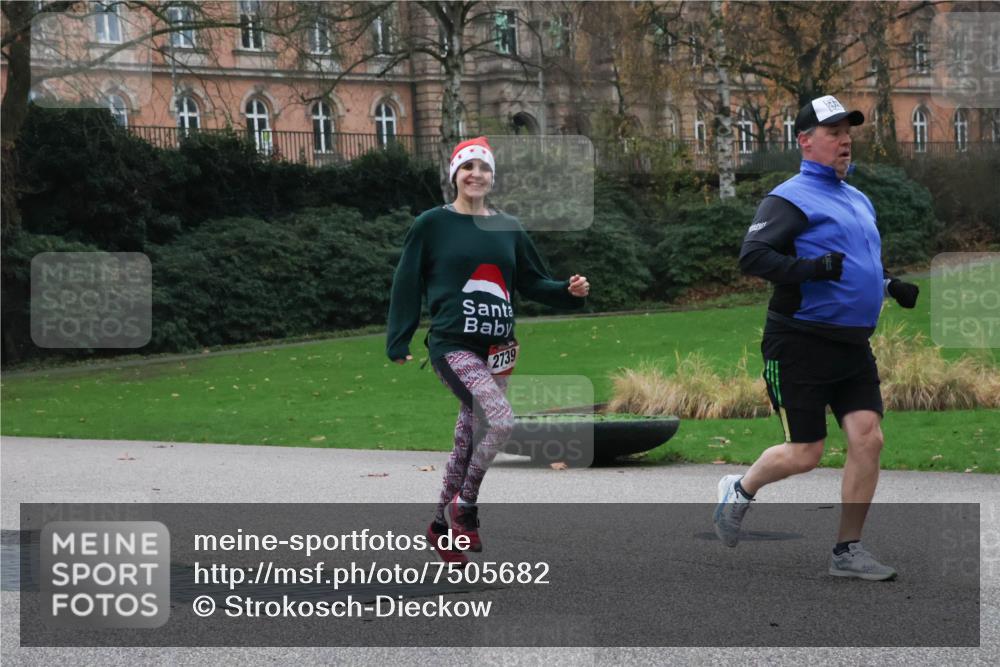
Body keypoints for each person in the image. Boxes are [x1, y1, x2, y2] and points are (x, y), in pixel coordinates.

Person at [713, 95, 920, 581]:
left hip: (852, 344)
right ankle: (739, 491)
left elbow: (855, 263)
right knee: (806, 453)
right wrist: (811, 269)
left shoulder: (857, 198)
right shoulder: (789, 198)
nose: (845, 139)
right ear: (805, 141)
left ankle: (847, 551)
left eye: (847, 131)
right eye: (833, 132)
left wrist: (890, 284)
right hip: (800, 341)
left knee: (868, 439)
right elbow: (753, 257)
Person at [386, 136, 590, 566]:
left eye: (483, 168)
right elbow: (407, 280)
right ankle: (467, 507)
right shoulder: (432, 224)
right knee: (499, 420)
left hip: (500, 349)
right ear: (454, 175)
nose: (475, 174)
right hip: (453, 344)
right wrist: (399, 338)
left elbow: (532, 281)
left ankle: (441, 526)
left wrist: (568, 292)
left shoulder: (508, 227)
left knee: (468, 437)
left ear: (492, 177)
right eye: (467, 167)